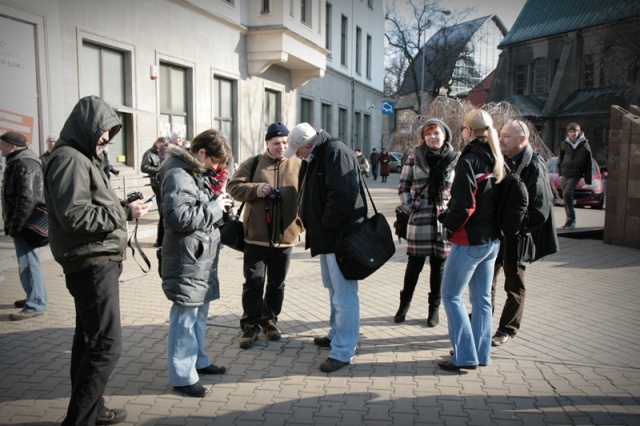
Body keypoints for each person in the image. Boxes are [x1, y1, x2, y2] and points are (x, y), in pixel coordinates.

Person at [44, 96, 150, 425]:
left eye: (110, 135)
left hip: (96, 258)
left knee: (90, 340)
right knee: (106, 345)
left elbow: (87, 203)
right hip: (91, 262)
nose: (106, 140)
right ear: (87, 127)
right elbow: (75, 215)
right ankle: (80, 419)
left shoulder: (81, 156)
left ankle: (92, 409)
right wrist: (123, 211)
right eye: (103, 133)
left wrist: (119, 204)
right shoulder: (70, 159)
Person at [283, 122, 367, 373]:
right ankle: (336, 334)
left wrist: (327, 224)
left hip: (338, 236)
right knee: (334, 290)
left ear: (307, 146)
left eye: (298, 151)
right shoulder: (320, 154)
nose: (297, 156)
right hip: (328, 236)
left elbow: (342, 195)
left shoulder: (334, 152)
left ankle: (344, 350)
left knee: (344, 295)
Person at [159, 129, 233, 398]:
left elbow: (193, 208)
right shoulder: (179, 174)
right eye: (214, 160)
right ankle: (182, 376)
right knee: (185, 318)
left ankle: (198, 361)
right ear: (201, 153)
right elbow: (179, 218)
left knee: (198, 314)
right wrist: (215, 207)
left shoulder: (191, 171)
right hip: (187, 257)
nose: (216, 167)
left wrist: (218, 201)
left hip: (198, 255)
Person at [437, 109, 504, 371]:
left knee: (451, 296)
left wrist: (446, 222)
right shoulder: (496, 157)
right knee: (482, 299)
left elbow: (465, 206)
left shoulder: (469, 161)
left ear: (467, 132)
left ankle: (464, 356)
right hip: (491, 242)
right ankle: (480, 354)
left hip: (469, 241)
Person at [227, 122, 303, 349]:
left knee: (277, 283)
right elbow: (233, 188)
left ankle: (269, 320)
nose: (281, 146)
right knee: (253, 282)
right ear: (267, 143)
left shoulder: (299, 165)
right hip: (256, 236)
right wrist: (257, 190)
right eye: (276, 142)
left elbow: (308, 196)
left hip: (286, 237)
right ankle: (250, 326)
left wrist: (301, 224)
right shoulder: (253, 164)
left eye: (284, 142)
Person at [491, 120, 558, 346]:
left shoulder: (533, 166)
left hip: (516, 237)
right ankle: (480, 321)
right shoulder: (503, 161)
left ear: (522, 140)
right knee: (486, 280)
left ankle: (507, 329)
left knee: (514, 285)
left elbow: (539, 210)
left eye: (506, 137)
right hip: (496, 235)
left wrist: (515, 229)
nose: (500, 140)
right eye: (500, 135)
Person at [394, 119, 459, 327]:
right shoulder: (414, 158)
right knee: (414, 264)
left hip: (443, 219)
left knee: (438, 265)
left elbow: (460, 190)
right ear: (423, 138)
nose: (433, 137)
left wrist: (452, 211)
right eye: (428, 134)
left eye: (436, 133)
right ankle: (404, 305)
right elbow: (403, 187)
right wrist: (410, 208)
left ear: (445, 135)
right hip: (419, 217)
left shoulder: (454, 159)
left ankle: (434, 309)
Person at [1, 131, 47, 321]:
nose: (0, 148)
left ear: (12, 146)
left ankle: (36, 303)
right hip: (22, 221)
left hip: (26, 223)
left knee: (29, 263)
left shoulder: (24, 163)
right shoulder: (18, 161)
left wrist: (17, 225)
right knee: (27, 262)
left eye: (2, 144)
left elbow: (28, 198)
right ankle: (33, 296)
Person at [558, 122, 592, 229]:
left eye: (575, 131)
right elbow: (560, 158)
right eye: (571, 132)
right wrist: (560, 172)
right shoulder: (564, 144)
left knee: (568, 193)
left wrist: (588, 179)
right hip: (565, 174)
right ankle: (568, 220)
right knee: (565, 196)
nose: (573, 134)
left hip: (576, 174)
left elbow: (588, 163)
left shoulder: (585, 145)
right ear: (568, 133)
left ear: (579, 132)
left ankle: (571, 220)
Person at [141, 136, 166, 247]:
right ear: (157, 143)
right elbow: (144, 167)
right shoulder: (149, 153)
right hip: (156, 183)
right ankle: (160, 239)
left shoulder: (163, 152)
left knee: (164, 210)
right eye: (162, 144)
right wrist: (157, 170)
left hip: (163, 182)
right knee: (162, 210)